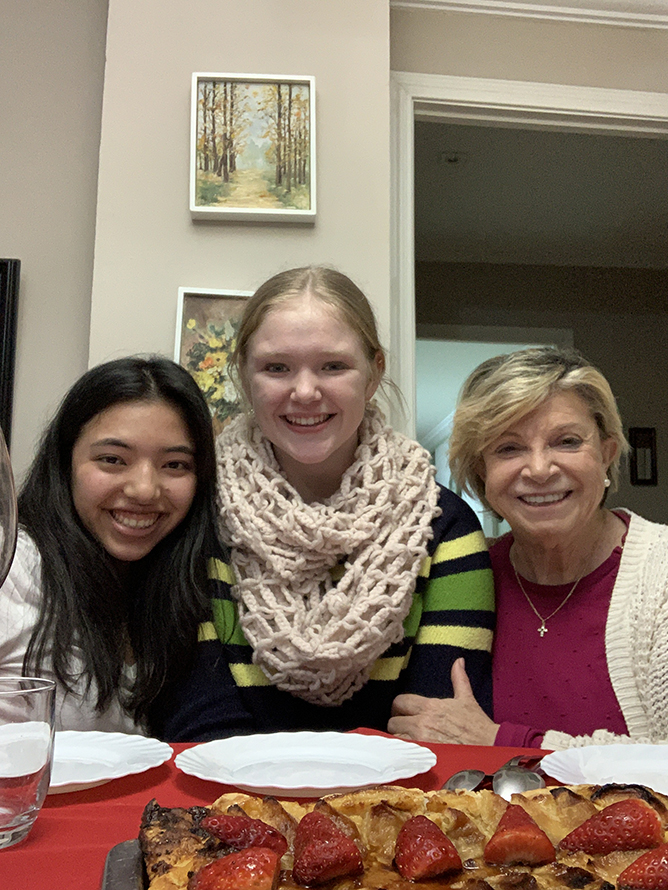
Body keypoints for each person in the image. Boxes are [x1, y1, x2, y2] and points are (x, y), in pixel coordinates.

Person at [157, 266, 495, 741]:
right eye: (277, 368)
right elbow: (196, 721)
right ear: (244, 374)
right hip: (227, 803)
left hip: (391, 807)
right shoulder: (194, 516)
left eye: (333, 366)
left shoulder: (446, 529)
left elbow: (435, 729)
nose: (305, 392)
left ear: (374, 373)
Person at [388, 346, 668, 750]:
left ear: (606, 454)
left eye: (567, 441)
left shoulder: (658, 575)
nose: (538, 469)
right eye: (508, 448)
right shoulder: (463, 574)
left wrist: (505, 741)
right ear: (481, 471)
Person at [0, 356, 221, 734]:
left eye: (175, 465)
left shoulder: (185, 581)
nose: (144, 490)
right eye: (113, 460)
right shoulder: (14, 567)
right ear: (66, 459)